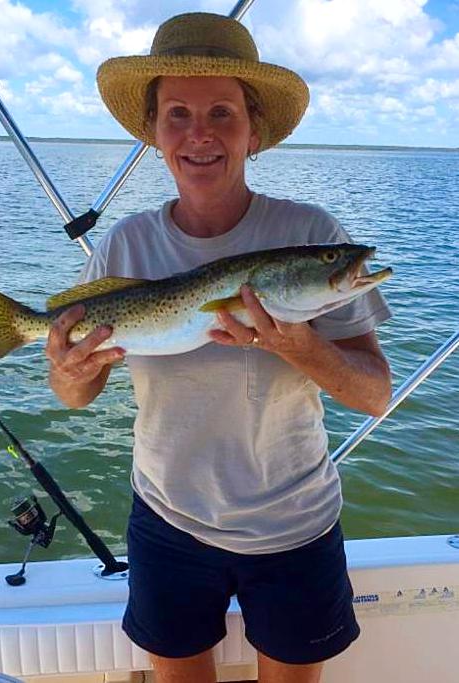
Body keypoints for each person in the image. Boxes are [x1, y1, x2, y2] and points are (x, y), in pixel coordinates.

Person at [46, 12, 392, 683]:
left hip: (295, 525)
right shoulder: (124, 246)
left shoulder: (311, 231)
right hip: (166, 520)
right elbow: (75, 393)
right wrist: (69, 367)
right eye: (176, 113)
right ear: (152, 133)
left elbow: (375, 394)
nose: (198, 133)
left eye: (221, 114)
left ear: (252, 131)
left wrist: (298, 346)